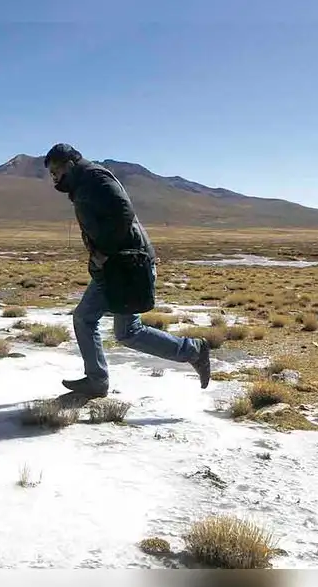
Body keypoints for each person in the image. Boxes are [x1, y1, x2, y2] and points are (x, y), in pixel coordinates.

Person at [43, 143, 211, 398]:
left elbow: (124, 212)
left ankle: (190, 351)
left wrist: (106, 252)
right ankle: (98, 380)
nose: (54, 177)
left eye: (56, 171)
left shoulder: (95, 178)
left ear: (70, 164)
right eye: (51, 173)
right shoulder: (83, 184)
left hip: (127, 264)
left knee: (108, 325)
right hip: (118, 265)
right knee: (110, 326)